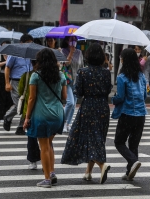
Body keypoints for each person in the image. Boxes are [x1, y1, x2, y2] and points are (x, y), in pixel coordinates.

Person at [61, 43, 112, 184]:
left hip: (88, 106)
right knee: (97, 138)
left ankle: (102, 165)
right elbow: (108, 90)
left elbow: (78, 91)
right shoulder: (106, 72)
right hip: (103, 107)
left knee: (88, 138)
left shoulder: (83, 72)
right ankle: (88, 172)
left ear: (88, 56)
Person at [23, 48, 67, 188]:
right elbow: (64, 97)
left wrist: (27, 118)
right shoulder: (61, 75)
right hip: (58, 115)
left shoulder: (35, 76)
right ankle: (52, 172)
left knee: (44, 147)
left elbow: (31, 98)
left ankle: (47, 179)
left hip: (41, 115)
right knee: (48, 144)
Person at [112, 48, 147, 181]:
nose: (120, 59)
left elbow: (120, 97)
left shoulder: (122, 77)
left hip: (127, 114)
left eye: (121, 58)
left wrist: (113, 99)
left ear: (124, 60)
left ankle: (132, 161)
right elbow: (144, 96)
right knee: (133, 144)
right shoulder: (141, 76)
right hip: (141, 114)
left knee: (119, 142)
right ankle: (129, 173)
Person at [3, 34, 33, 135]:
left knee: (27, 104)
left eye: (31, 43)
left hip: (28, 81)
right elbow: (7, 68)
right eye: (28, 43)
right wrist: (7, 83)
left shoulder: (31, 54)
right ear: (22, 43)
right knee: (19, 105)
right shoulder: (14, 53)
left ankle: (20, 127)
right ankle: (7, 117)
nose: (30, 45)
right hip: (16, 82)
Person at [18, 60, 41, 170]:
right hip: (44, 111)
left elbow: (20, 91)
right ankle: (48, 163)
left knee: (31, 137)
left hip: (29, 110)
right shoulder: (49, 75)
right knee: (46, 139)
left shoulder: (26, 75)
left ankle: (33, 161)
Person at [60, 36, 84, 133]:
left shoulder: (79, 52)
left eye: (75, 40)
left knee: (74, 104)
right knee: (70, 102)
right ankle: (62, 122)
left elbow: (81, 66)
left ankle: (68, 124)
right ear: (66, 41)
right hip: (67, 81)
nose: (74, 42)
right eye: (71, 40)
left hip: (77, 81)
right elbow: (66, 64)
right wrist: (71, 52)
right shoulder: (63, 51)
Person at [0, 41, 13, 123]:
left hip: (11, 77)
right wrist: (5, 62)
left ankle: (6, 112)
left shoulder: (12, 55)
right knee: (1, 98)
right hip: (0, 78)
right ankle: (2, 116)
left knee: (10, 99)